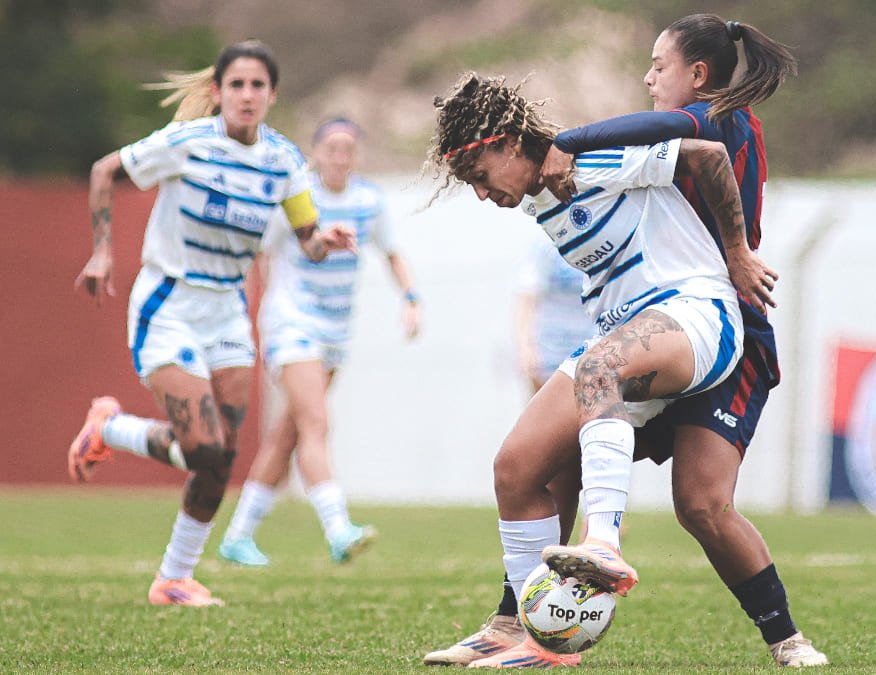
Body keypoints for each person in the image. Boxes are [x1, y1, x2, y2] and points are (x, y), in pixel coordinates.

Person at [425, 13, 828, 669]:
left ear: (508, 143)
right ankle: (522, 631)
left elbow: (708, 153)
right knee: (519, 465)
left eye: (477, 170)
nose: (477, 192)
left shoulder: (589, 155)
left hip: (700, 317)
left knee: (663, 452)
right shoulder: (534, 194)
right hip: (632, 336)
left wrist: (736, 251)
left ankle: (605, 547)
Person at [69, 40, 356, 607]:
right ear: (219, 92)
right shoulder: (186, 142)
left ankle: (174, 578)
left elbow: (307, 240)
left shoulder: (284, 160)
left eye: (257, 86)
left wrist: (326, 240)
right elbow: (105, 171)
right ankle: (110, 428)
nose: (247, 96)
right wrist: (102, 251)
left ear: (272, 95)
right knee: (203, 449)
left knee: (221, 455)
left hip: (227, 309)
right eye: (236, 85)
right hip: (169, 303)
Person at [217, 117, 422, 567]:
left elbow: (392, 253)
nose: (339, 155)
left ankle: (237, 536)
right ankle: (338, 528)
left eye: (348, 147)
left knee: (287, 435)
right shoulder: (295, 197)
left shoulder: (368, 200)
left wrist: (410, 299)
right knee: (316, 424)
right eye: (331, 146)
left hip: (335, 331)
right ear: (315, 152)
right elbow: (260, 254)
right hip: (292, 324)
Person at [514, 237, 594, 395]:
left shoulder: (598, 240)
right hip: (549, 351)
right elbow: (526, 299)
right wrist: (526, 350)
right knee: (543, 414)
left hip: (591, 349)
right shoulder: (543, 247)